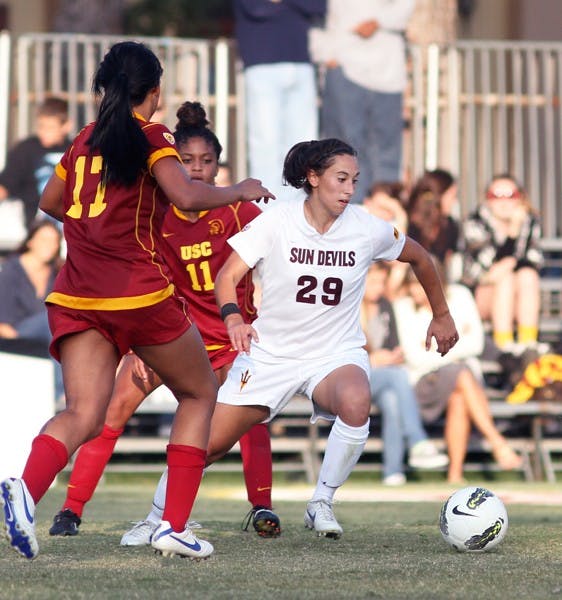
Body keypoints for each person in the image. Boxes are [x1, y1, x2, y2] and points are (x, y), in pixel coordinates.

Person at [0, 41, 273, 561]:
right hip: (136, 292)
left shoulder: (84, 138)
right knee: (198, 396)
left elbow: (49, 203)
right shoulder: (151, 135)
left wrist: (94, 232)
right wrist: (238, 189)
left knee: (82, 412)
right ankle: (172, 526)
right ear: (153, 91)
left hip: (76, 291)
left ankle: (25, 491)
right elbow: (187, 195)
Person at [140, 138, 459, 540]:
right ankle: (155, 519)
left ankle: (321, 502)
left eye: (354, 180)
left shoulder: (366, 226)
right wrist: (234, 318)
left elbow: (420, 258)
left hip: (333, 353)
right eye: (340, 179)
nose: (349, 189)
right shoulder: (277, 220)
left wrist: (442, 314)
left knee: (356, 401)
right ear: (312, 178)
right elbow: (227, 276)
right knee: (208, 446)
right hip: (271, 355)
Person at [48, 101, 280, 541]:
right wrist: (135, 343)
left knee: (252, 404)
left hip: (230, 339)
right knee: (111, 408)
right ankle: (71, 509)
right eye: (187, 160)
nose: (196, 169)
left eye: (206, 161)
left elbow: (280, 249)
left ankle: (261, 504)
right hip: (167, 332)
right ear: (174, 163)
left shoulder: (238, 211)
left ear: (218, 165)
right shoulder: (157, 207)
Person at [394, 261, 523, 483]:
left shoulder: (460, 296)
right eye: (412, 285)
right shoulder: (403, 307)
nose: (415, 290)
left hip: (460, 380)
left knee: (459, 396)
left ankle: (455, 475)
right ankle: (497, 442)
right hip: (425, 383)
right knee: (461, 373)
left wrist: (436, 348)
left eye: (419, 285)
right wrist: (455, 342)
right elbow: (414, 358)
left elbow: (477, 343)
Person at [310, 0, 415, 203]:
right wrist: (325, 52)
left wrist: (379, 21)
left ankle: (386, 214)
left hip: (387, 71)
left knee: (387, 149)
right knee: (342, 150)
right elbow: (313, 14)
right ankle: (346, 212)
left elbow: (406, 5)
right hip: (344, 66)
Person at [361, 261, 449, 485]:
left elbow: (394, 347)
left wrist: (390, 357)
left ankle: (393, 471)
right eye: (372, 281)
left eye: (382, 282)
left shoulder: (385, 307)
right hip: (351, 377)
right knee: (398, 376)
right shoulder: (347, 308)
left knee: (392, 400)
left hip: (379, 378)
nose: (378, 287)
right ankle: (417, 439)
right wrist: (371, 360)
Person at [233, 0, 326, 203]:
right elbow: (256, 8)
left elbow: (318, 6)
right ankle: (266, 209)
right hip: (261, 63)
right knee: (265, 143)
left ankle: (301, 206)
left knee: (305, 143)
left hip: (301, 61)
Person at [461, 174, 543, 353]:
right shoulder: (476, 222)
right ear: (487, 199)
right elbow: (484, 270)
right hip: (481, 296)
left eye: (510, 195)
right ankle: (504, 346)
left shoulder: (529, 221)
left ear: (520, 198)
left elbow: (533, 261)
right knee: (505, 280)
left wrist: (508, 260)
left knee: (526, 276)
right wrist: (513, 236)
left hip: (517, 296)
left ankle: (527, 344)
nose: (503, 202)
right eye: (496, 196)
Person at [0, 97, 72, 231]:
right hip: (37, 230)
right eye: (41, 126)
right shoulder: (26, 149)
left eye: (50, 127)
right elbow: (5, 186)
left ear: (66, 126)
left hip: (70, 230)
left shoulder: (76, 151)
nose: (43, 132)